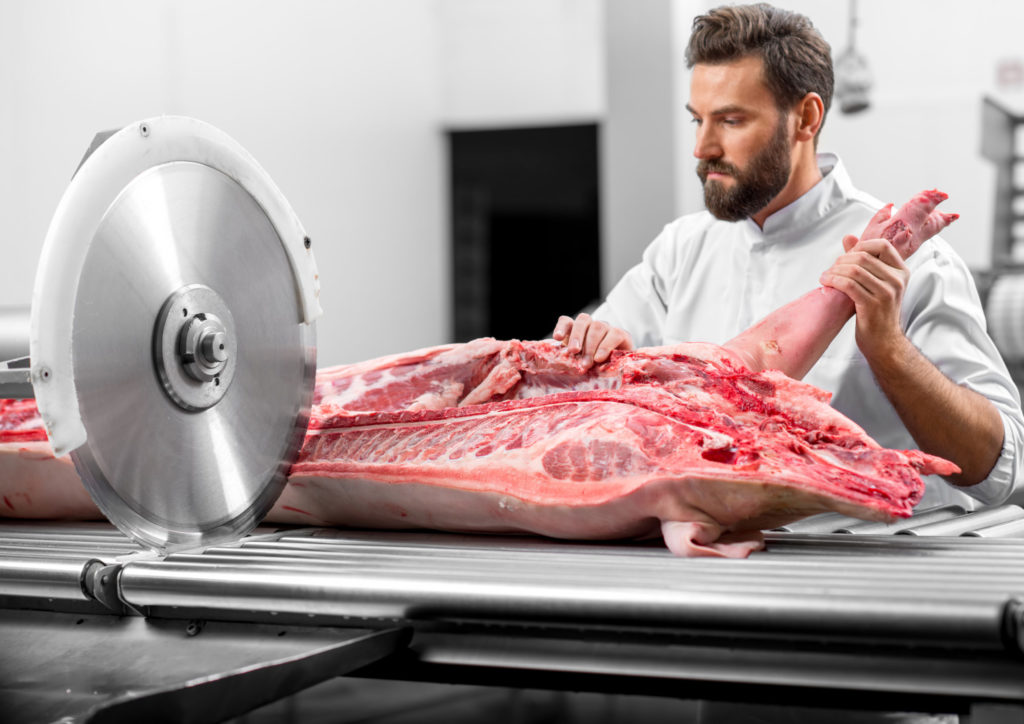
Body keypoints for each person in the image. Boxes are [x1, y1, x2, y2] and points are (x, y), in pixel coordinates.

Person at [553, 3, 1023, 512]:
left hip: (862, 567)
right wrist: (596, 353)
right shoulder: (678, 251)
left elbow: (998, 470)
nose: (702, 147)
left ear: (806, 117)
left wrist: (888, 350)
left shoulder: (912, 264)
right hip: (699, 558)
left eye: (731, 120)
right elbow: (586, 413)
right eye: (698, 120)